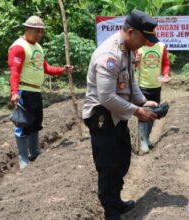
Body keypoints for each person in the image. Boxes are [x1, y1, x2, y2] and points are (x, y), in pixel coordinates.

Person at [82, 9, 159, 220]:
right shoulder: (110, 55)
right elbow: (106, 97)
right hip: (102, 117)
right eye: (144, 38)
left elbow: (130, 82)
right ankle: (111, 211)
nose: (145, 43)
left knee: (122, 160)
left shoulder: (128, 50)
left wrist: (143, 101)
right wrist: (137, 111)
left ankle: (115, 200)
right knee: (108, 168)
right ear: (131, 32)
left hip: (118, 115)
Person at [8, 15, 73, 170]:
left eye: (41, 32)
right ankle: (23, 158)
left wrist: (61, 70)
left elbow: (45, 68)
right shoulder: (18, 47)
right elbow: (14, 71)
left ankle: (35, 151)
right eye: (37, 31)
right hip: (24, 91)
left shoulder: (37, 47)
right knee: (23, 123)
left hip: (36, 91)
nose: (40, 35)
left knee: (36, 122)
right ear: (28, 29)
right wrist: (14, 92)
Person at [135, 41, 170, 154]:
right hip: (141, 85)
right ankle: (143, 141)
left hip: (156, 85)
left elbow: (165, 63)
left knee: (153, 113)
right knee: (143, 113)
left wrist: (165, 74)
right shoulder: (138, 46)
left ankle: (147, 137)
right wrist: (135, 60)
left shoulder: (161, 46)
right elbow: (132, 65)